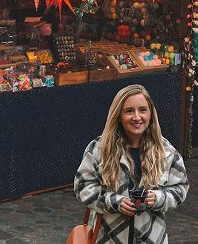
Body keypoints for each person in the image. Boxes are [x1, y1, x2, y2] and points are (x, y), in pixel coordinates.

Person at [74, 84, 188, 244]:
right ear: (119, 115)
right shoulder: (100, 148)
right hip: (109, 238)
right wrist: (115, 202)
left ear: (150, 113)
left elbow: (180, 188)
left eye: (142, 110)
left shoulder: (166, 151)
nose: (137, 117)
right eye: (129, 111)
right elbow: (82, 186)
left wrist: (158, 198)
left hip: (152, 238)